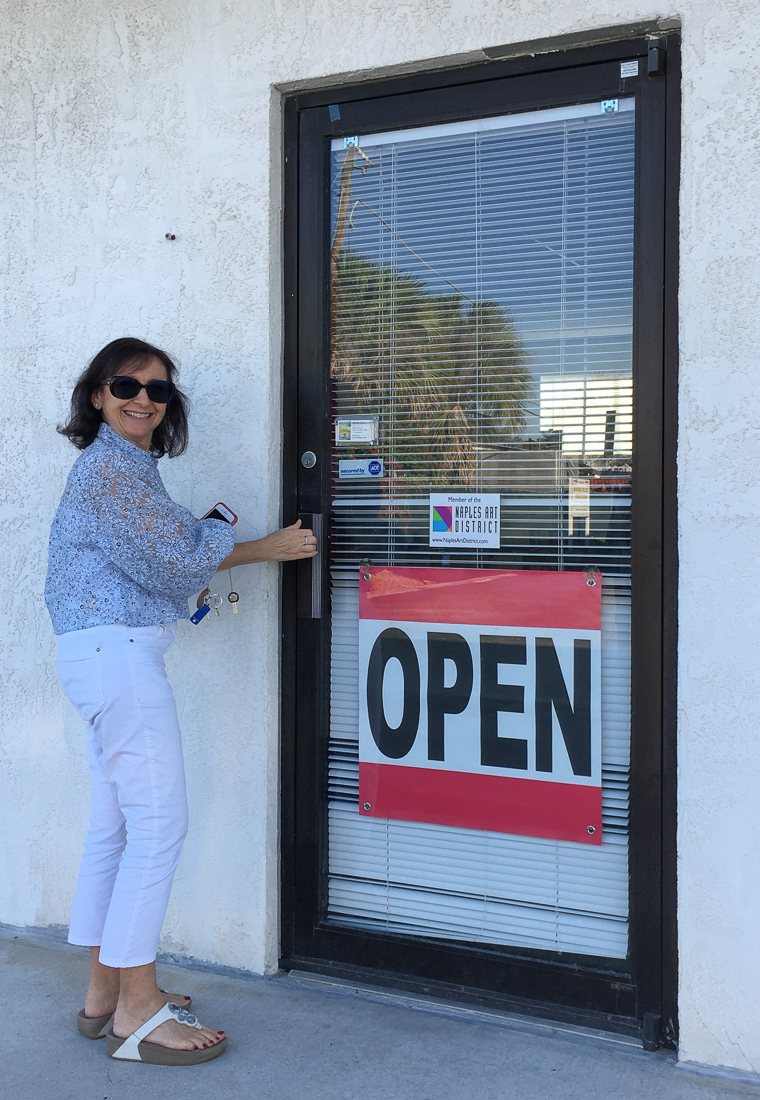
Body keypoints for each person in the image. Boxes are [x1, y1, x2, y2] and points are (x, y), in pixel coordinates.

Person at [45, 337, 316, 1066]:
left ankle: (105, 993)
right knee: (159, 828)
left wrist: (214, 539)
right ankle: (137, 1012)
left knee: (117, 828)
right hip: (119, 661)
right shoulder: (111, 472)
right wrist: (262, 545)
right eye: (126, 385)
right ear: (97, 394)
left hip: (102, 658)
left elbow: (170, 553)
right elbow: (176, 562)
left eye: (158, 389)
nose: (143, 399)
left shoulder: (125, 470)